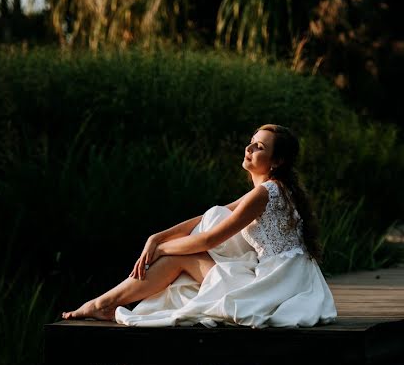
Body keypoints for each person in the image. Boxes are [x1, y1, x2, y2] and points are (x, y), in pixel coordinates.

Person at [60, 124, 337, 328]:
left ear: (277, 161)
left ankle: (104, 304)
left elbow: (208, 241)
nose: (249, 149)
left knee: (176, 259)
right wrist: (157, 238)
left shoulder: (264, 193)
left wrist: (164, 249)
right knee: (211, 216)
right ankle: (105, 304)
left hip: (274, 285)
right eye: (251, 142)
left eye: (259, 147)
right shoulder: (275, 189)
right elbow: (210, 217)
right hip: (289, 279)